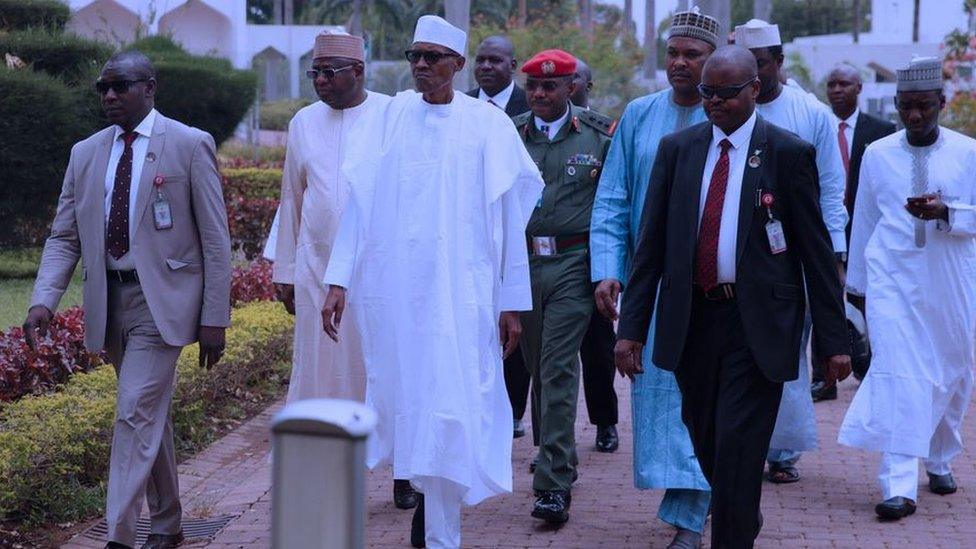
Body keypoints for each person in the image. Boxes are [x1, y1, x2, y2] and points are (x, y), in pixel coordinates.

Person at [614, 45, 851, 548]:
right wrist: (630, 329)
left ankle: (733, 528)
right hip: (693, 319)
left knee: (739, 446)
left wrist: (834, 340)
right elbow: (650, 246)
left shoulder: (786, 153)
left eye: (724, 93)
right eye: (707, 93)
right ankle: (739, 507)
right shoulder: (678, 149)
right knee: (706, 439)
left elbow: (815, 253)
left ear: (754, 90)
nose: (714, 102)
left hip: (757, 325)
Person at [320, 15, 543, 548]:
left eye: (432, 57)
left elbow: (512, 219)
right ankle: (427, 511)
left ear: (457, 65)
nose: (420, 65)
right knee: (408, 396)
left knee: (454, 398)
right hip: (397, 293)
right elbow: (361, 203)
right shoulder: (391, 117)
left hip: (463, 296)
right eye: (414, 55)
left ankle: (440, 529)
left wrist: (511, 303)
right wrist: (338, 280)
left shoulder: (487, 125)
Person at [23, 51, 231, 549]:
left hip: (165, 304)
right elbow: (64, 236)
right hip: (110, 302)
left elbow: (216, 239)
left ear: (150, 87)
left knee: (133, 410)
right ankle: (168, 525)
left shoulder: (187, 144)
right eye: (103, 88)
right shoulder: (86, 153)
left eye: (121, 86)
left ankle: (118, 536)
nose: (110, 96)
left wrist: (214, 317)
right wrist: (42, 300)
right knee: (147, 413)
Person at [267, 31, 420, 511]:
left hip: (378, 272)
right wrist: (286, 270)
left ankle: (403, 467)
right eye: (314, 72)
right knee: (322, 372)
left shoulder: (393, 114)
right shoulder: (303, 123)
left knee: (384, 368)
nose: (320, 81)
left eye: (329, 72)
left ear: (359, 72)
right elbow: (293, 198)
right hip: (316, 268)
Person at [590, 9, 717, 548]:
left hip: (714, 290)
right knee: (662, 397)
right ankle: (696, 497)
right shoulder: (640, 116)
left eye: (693, 54)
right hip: (656, 290)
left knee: (709, 397)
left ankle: (693, 513)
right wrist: (607, 270)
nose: (680, 63)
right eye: (674, 53)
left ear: (715, 62)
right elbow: (612, 201)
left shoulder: (729, 118)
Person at [839, 56, 976, 521]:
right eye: (905, 107)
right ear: (896, 105)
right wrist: (856, 287)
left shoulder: (967, 152)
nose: (914, 117)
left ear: (942, 102)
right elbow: (864, 222)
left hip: (950, 280)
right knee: (900, 375)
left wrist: (948, 213)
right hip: (892, 280)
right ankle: (898, 485)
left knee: (952, 372)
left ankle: (939, 458)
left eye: (923, 107)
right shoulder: (878, 154)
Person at [735, 19, 849, 485]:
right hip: (737, 253)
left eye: (759, 66)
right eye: (747, 68)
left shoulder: (811, 114)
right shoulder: (727, 107)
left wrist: (832, 259)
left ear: (779, 62)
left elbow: (830, 194)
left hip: (792, 255)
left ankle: (782, 450)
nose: (753, 78)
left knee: (785, 351)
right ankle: (741, 441)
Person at [510, 49, 613, 524]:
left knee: (555, 367)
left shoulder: (599, 135)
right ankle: (561, 457)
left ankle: (550, 485)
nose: (539, 95)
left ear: (571, 86)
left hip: (575, 261)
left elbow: (615, 206)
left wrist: (609, 271)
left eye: (550, 86)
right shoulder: (511, 136)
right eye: (532, 87)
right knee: (535, 363)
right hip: (525, 263)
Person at [812, 62, 896, 399]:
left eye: (843, 84)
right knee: (825, 297)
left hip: (867, 228)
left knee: (865, 299)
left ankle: (867, 368)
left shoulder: (882, 130)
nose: (836, 90)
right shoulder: (817, 128)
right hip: (824, 227)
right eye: (831, 84)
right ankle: (824, 377)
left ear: (859, 88)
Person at [466, 34, 532, 440]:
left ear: (512, 64)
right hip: (472, 235)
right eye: (481, 60)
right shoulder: (460, 107)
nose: (487, 67)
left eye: (495, 60)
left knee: (513, 329)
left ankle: (513, 412)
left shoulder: (532, 104)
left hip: (520, 235)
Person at [565, 55, 621, 455]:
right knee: (551, 357)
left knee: (598, 349)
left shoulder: (605, 132)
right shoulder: (532, 128)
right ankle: (554, 438)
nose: (570, 87)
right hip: (553, 258)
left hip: (591, 257)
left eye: (576, 80)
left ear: (588, 85)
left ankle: (605, 422)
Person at [466, 35, 529, 116]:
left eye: (495, 60)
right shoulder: (461, 104)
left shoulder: (531, 106)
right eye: (480, 60)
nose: (485, 66)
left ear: (512, 66)